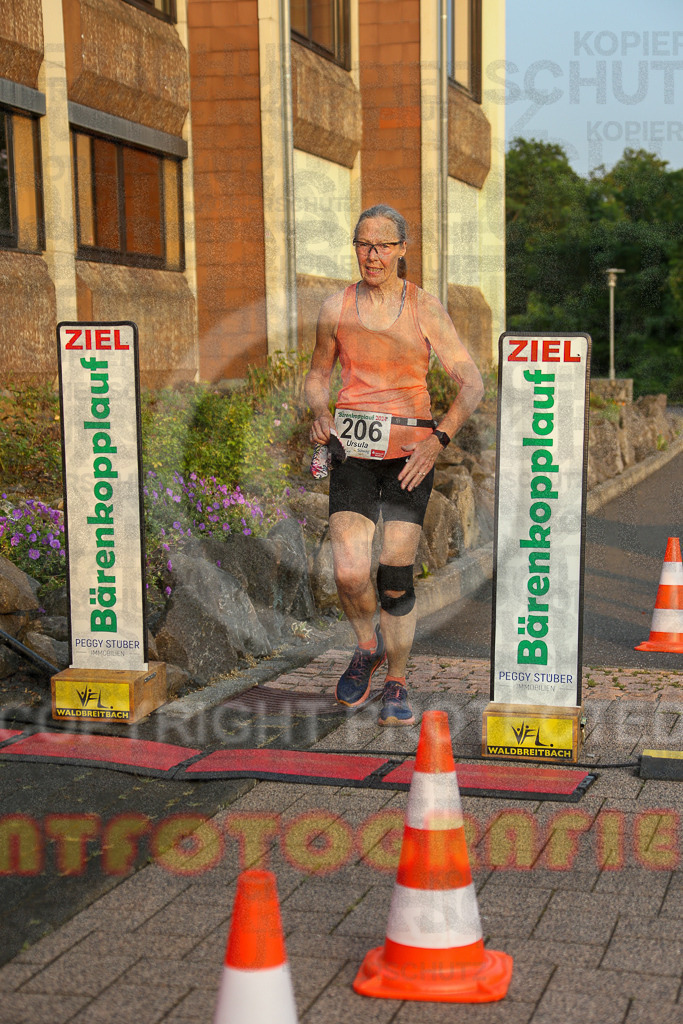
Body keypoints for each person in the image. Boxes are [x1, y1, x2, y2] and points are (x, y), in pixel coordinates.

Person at [304, 204, 484, 726]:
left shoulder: (424, 307)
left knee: (396, 578)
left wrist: (438, 439)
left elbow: (471, 382)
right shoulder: (335, 306)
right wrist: (319, 411)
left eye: (383, 245)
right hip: (354, 453)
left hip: (409, 457)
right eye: (364, 244)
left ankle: (397, 681)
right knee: (349, 571)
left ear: (403, 249)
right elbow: (318, 374)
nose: (373, 255)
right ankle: (367, 646)